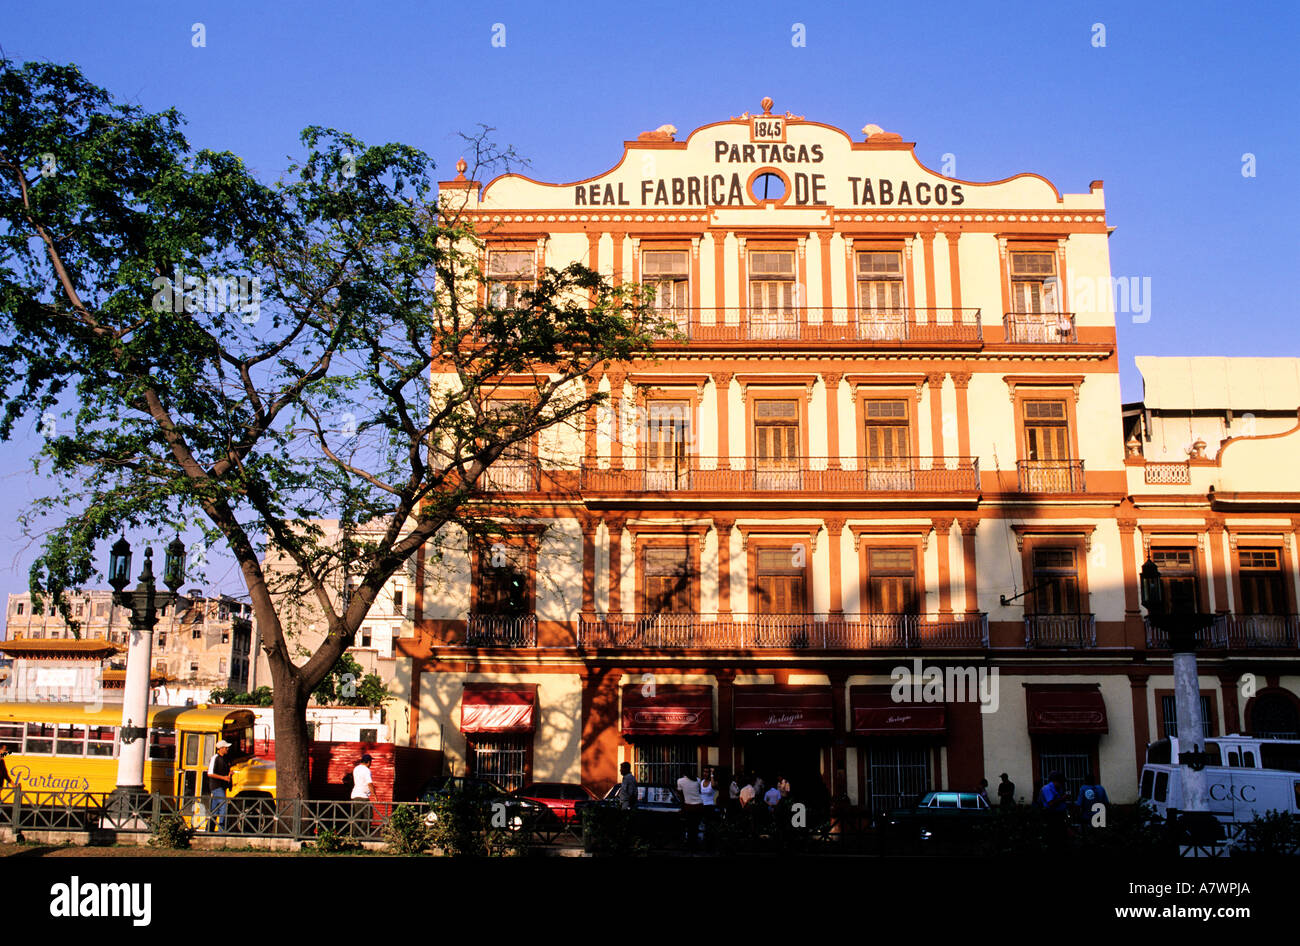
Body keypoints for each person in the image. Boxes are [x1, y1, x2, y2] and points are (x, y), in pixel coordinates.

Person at [206, 739, 233, 832]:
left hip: (221, 787)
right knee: (223, 805)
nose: (227, 749)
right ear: (221, 748)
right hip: (216, 786)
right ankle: (222, 830)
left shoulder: (224, 759)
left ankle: (209, 829)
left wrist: (229, 773)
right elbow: (210, 773)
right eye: (226, 748)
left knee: (215, 809)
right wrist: (224, 778)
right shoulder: (215, 758)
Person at [677, 766, 703, 850]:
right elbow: (699, 791)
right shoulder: (698, 780)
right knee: (695, 826)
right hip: (699, 805)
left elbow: (680, 794)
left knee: (689, 826)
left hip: (688, 806)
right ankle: (695, 844)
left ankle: (690, 844)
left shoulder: (680, 781)